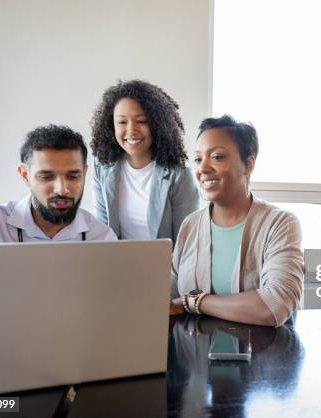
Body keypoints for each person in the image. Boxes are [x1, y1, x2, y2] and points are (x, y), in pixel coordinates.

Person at [170, 115, 304, 327]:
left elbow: (275, 305)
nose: (202, 169)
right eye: (198, 159)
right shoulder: (190, 225)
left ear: (248, 165)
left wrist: (195, 302)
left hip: (264, 356)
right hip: (195, 356)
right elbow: (168, 300)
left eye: (217, 157)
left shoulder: (280, 224)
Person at [0, 125, 117, 244]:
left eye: (73, 176)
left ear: (85, 173)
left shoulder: (102, 238)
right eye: (46, 177)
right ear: (25, 175)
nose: (62, 189)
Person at [90, 80, 199, 243]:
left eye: (141, 121)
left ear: (157, 124)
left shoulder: (180, 174)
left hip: (164, 266)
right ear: (111, 126)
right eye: (122, 122)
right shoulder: (102, 166)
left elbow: (186, 242)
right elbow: (102, 234)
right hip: (115, 263)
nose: (131, 130)